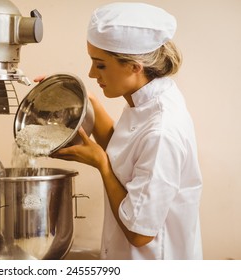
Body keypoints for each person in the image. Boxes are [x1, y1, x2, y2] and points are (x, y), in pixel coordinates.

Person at [50, 2, 203, 259]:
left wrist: (101, 164)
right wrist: (86, 100)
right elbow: (128, 154)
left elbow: (139, 233)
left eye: (100, 65)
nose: (91, 73)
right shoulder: (147, 99)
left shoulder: (162, 132)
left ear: (135, 66)